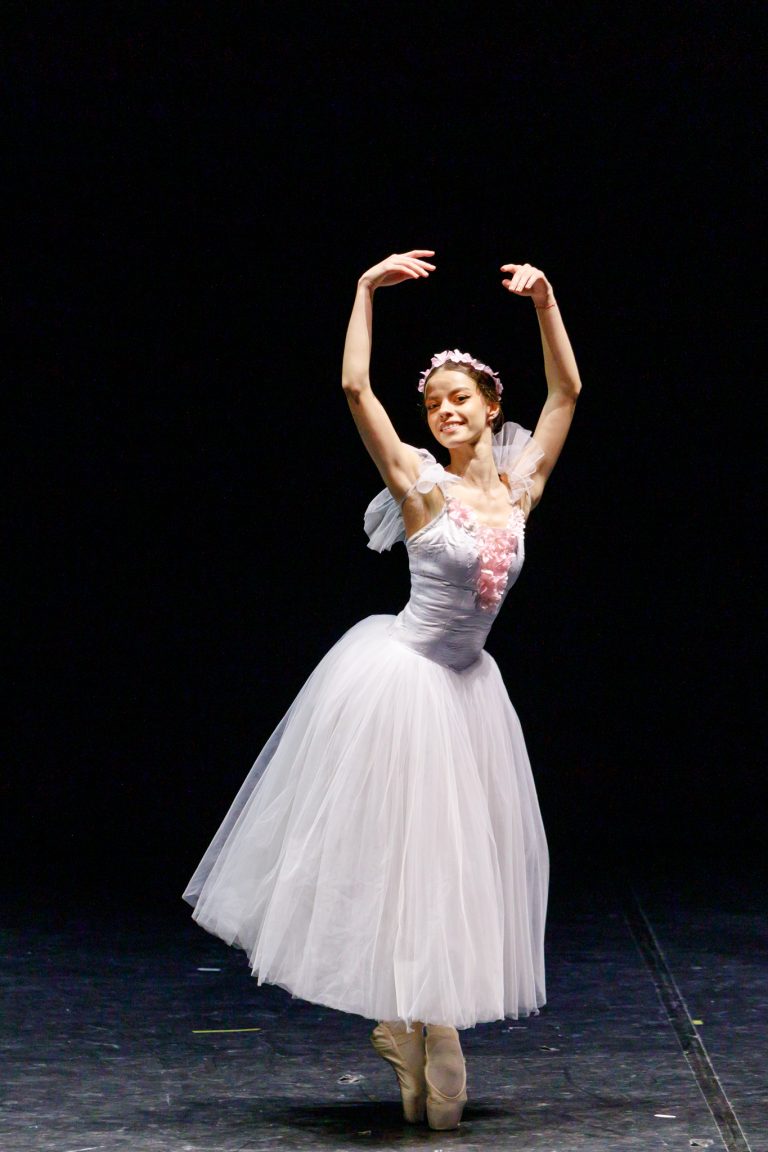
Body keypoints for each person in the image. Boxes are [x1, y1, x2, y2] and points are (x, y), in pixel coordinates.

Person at [183, 250, 581, 1131]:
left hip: (470, 693)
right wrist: (364, 290)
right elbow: (356, 389)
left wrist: (546, 303)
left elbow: (567, 395)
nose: (445, 412)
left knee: (455, 867)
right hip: (403, 688)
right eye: (434, 403)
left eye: (459, 399)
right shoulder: (417, 483)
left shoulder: (519, 488)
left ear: (490, 407)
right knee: (410, 862)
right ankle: (424, 1024)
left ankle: (417, 1028)